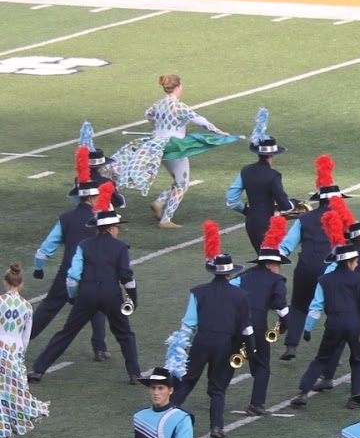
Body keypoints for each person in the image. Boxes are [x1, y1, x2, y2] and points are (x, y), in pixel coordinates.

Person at [30, 184, 141, 385]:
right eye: (117, 226)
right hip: (111, 294)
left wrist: (73, 296)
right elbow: (127, 276)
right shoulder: (120, 247)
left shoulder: (83, 245)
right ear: (111, 227)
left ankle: (38, 369)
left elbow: (73, 276)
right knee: (125, 334)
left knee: (66, 332)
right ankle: (134, 373)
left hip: (86, 293)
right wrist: (133, 298)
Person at [108, 73, 235, 229]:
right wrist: (219, 132)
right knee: (183, 183)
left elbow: (148, 114)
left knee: (179, 180)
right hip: (173, 147)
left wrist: (157, 126)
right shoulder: (179, 106)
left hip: (157, 145)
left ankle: (159, 202)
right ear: (178, 87)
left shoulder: (159, 104)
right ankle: (165, 218)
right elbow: (200, 121)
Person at [171, 223, 255, 438]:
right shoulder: (241, 295)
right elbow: (246, 328)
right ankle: (216, 426)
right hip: (225, 345)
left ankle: (168, 414)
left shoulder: (199, 292)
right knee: (217, 387)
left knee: (188, 380)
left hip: (202, 341)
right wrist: (251, 350)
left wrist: (180, 349)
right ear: (230, 274)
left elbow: (188, 324)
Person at [31, 153, 111, 362]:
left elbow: (46, 248)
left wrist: (38, 267)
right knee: (97, 306)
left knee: (48, 308)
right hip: (95, 272)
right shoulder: (101, 218)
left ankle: (20, 341)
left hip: (67, 271)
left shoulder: (66, 218)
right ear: (93, 197)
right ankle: (100, 347)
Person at [290, 235, 360, 408]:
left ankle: (303, 393)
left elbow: (316, 307)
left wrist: (308, 329)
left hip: (333, 325)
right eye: (355, 261)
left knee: (321, 359)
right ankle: (355, 396)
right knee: (358, 360)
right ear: (349, 262)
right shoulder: (358, 279)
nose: (357, 264)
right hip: (355, 326)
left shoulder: (324, 280)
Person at [278, 157, 344, 360]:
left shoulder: (305, 218)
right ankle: (331, 353)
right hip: (331, 270)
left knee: (298, 306)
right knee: (336, 312)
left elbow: (286, 246)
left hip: (306, 267)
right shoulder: (343, 218)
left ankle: (291, 345)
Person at [231, 217, 291, 418]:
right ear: (269, 265)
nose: (279, 268)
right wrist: (285, 325)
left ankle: (217, 392)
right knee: (262, 364)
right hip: (256, 327)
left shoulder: (243, 276)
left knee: (229, 361)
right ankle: (256, 403)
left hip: (235, 324)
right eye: (278, 265)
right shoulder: (276, 280)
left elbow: (228, 292)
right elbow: (281, 307)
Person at [226, 110, 294, 253]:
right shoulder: (273, 175)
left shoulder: (246, 170)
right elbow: (284, 205)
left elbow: (231, 200)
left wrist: (245, 210)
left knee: (262, 257)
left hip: (251, 222)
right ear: (273, 155)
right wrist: (293, 205)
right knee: (271, 259)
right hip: (267, 224)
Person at [2, 262, 49, 438]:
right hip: (14, 352)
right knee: (13, 396)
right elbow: (25, 337)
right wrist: (20, 355)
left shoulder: (0, 301)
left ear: (6, 282)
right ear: (21, 284)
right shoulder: (27, 307)